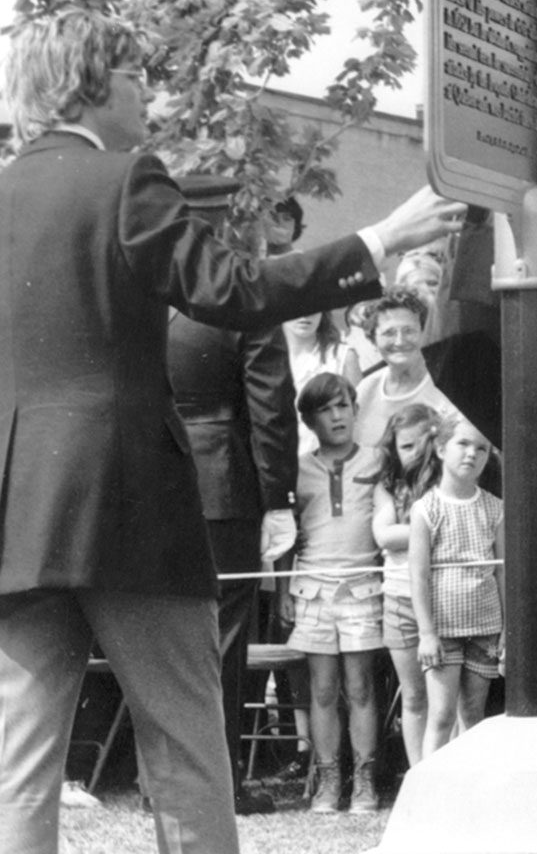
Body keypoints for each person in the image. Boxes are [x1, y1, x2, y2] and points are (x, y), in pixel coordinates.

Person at [0, 9, 466, 854]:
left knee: (18, 764)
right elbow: (236, 291)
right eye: (136, 75)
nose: (149, 93)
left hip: (17, 513)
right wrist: (379, 239)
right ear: (88, 83)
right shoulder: (126, 180)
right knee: (184, 741)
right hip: (129, 504)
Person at [165, 176, 300, 818]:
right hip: (223, 483)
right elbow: (271, 407)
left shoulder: (144, 293)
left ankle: (162, 780)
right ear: (225, 223)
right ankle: (216, 786)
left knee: (165, 636)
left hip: (156, 482)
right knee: (222, 638)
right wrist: (278, 497)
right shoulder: (243, 295)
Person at [287, 372, 385, 814]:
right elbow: (285, 538)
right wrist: (283, 589)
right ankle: (328, 779)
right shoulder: (297, 469)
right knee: (322, 690)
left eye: (343, 405)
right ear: (310, 421)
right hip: (312, 589)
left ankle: (364, 779)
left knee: (360, 686)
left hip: (362, 588)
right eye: (325, 410)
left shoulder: (378, 461)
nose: (337, 416)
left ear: (356, 409)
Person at [410, 415, 505, 757]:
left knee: (473, 715)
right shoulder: (426, 509)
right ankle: (430, 786)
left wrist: (507, 630)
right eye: (463, 444)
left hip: (485, 628)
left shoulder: (495, 508)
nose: (472, 454)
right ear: (440, 449)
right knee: (441, 715)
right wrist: (427, 633)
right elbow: (418, 575)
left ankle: (470, 784)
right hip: (443, 630)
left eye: (481, 448)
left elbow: (502, 572)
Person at [371, 402, 445, 770]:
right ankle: (419, 775)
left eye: (422, 443)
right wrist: (431, 528)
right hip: (399, 598)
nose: (415, 453)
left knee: (445, 698)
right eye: (406, 446)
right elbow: (384, 534)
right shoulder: (389, 486)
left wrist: (412, 531)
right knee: (414, 696)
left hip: (443, 599)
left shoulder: (447, 484)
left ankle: (446, 773)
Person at [353, 287, 460, 448]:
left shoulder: (448, 386)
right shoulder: (365, 390)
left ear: (424, 334)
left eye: (409, 331)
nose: (400, 341)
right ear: (373, 341)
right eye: (389, 333)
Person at [284, 310, 362, 453]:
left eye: (313, 306)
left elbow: (358, 422)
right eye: (295, 306)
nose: (305, 315)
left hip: (326, 459)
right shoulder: (263, 360)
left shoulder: (342, 357)